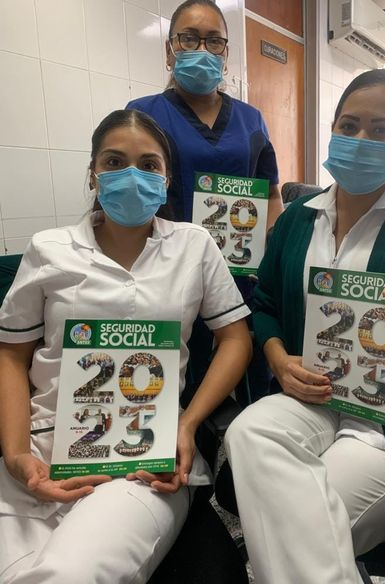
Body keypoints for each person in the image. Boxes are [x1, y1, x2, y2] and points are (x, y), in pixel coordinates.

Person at [0, 109, 252, 583]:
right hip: (42, 450)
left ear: (166, 179)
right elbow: (12, 354)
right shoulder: (49, 248)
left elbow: (235, 338)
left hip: (144, 457)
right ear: (92, 173)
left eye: (149, 165)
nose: (132, 176)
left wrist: (187, 424)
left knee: (69, 574)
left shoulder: (194, 245)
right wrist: (16, 456)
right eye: (114, 162)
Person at [225, 69, 385, 584]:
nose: (361, 139)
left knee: (289, 535)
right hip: (314, 396)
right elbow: (264, 303)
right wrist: (278, 358)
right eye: (349, 126)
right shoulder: (297, 218)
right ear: (331, 130)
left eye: (381, 129)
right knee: (247, 430)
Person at [126, 0, 283, 229]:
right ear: (169, 51)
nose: (202, 50)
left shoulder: (252, 121)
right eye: (189, 39)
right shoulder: (142, 115)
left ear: (225, 55)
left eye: (214, 41)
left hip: (239, 251)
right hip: (166, 249)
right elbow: (130, 195)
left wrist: (272, 240)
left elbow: (271, 195)